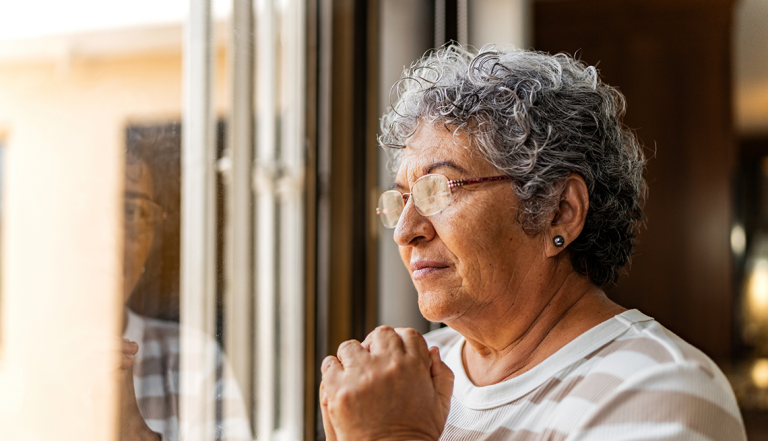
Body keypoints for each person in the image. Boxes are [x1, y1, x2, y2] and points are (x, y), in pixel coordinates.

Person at [319, 46, 747, 441]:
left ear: (559, 211)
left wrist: (393, 435)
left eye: (440, 188)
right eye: (402, 199)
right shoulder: (412, 377)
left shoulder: (659, 388)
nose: (405, 230)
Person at [116, 150, 252, 441]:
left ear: (151, 241)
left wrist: (130, 427)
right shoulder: (12, 363)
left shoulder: (192, 361)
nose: (110, 234)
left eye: (132, 211)